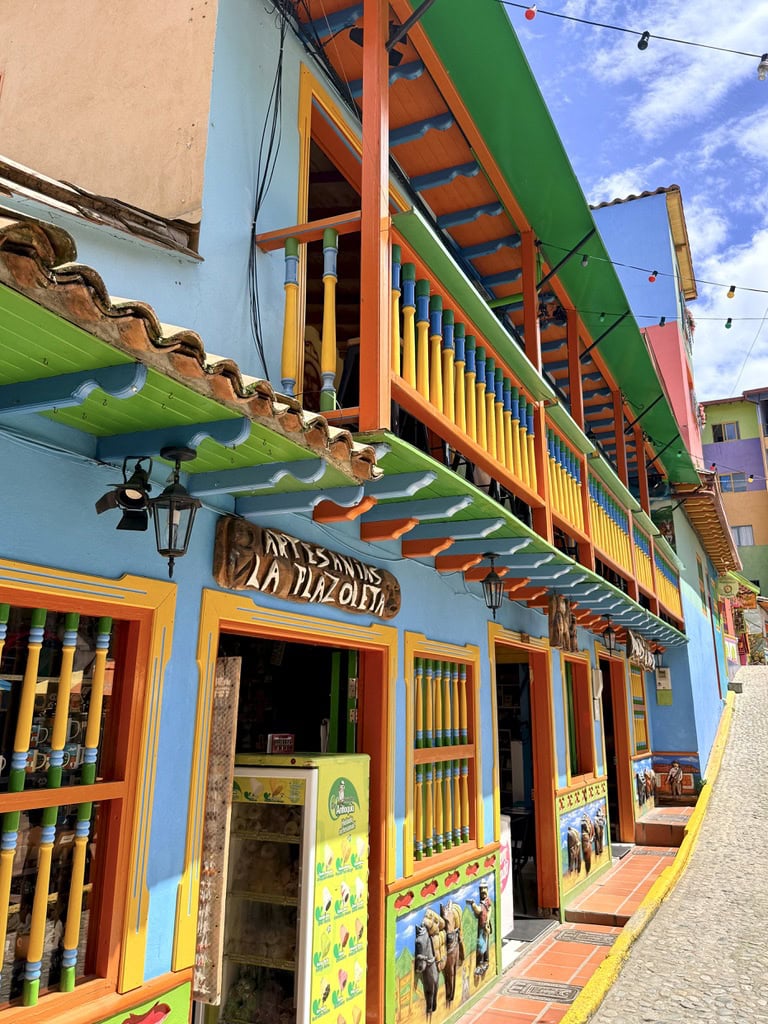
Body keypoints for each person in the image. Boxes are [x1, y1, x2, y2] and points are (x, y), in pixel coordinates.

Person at [466, 883, 493, 976]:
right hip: (482, 925)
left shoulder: (486, 901)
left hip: (484, 926)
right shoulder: (484, 901)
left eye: (484, 888)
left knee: (482, 944)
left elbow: (480, 910)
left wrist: (473, 904)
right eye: (481, 889)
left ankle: (482, 963)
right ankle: (483, 962)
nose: (482, 891)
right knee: (483, 943)